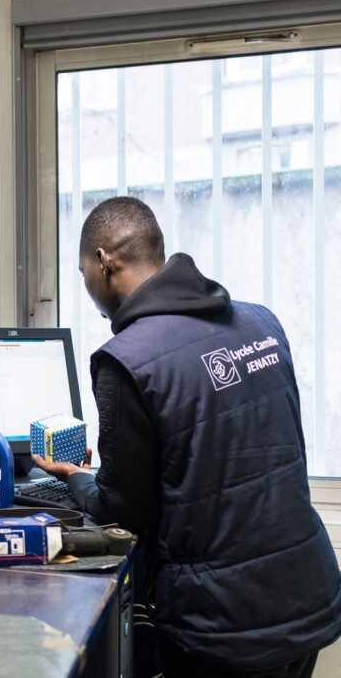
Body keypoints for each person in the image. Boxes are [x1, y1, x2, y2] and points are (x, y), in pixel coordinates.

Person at [35, 196, 341, 677]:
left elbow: (124, 512)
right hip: (308, 593)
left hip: (224, 624)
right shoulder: (262, 322)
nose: (87, 285)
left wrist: (76, 476)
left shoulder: (126, 359)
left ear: (103, 261)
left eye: (82, 273)